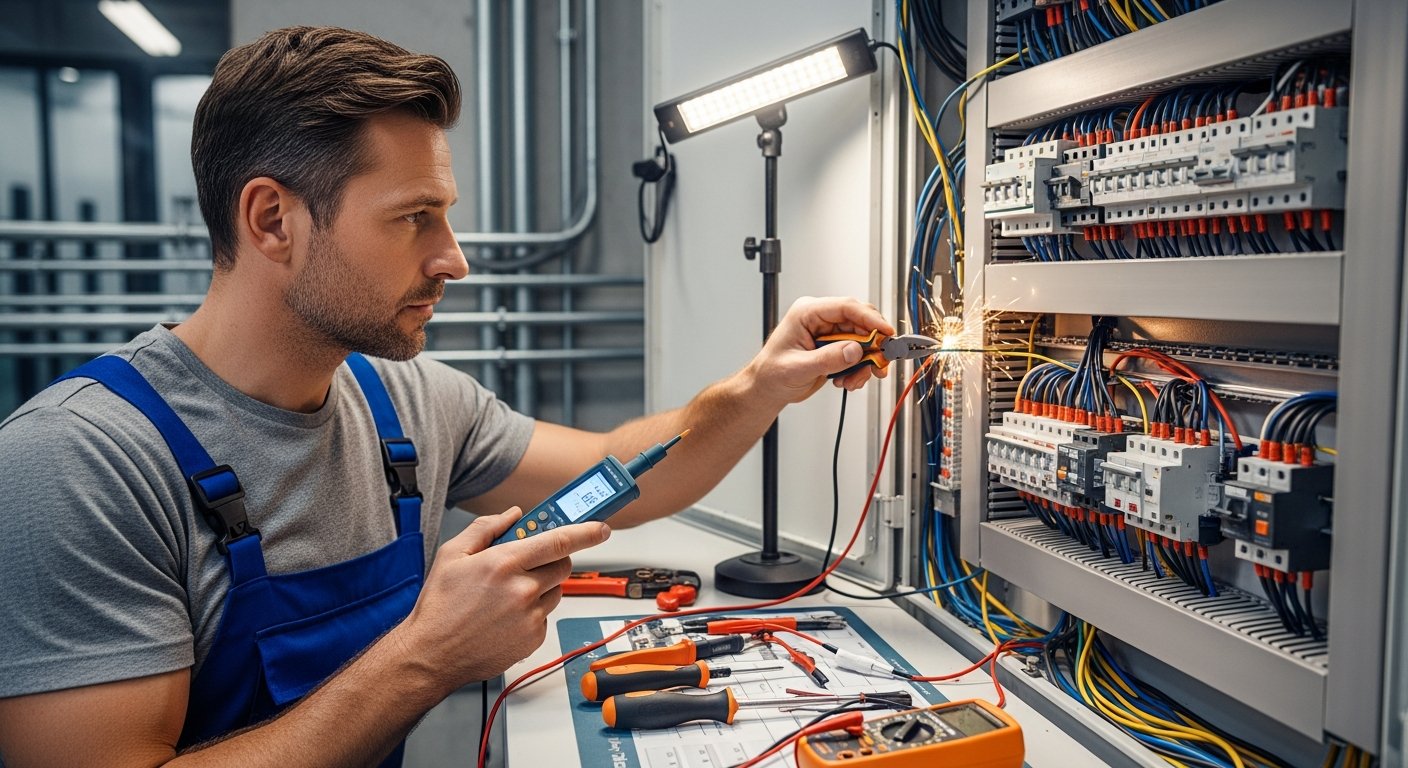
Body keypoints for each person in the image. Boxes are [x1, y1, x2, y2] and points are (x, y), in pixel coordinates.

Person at [0, 26, 892, 768]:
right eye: (412, 217)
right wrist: (428, 656)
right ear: (272, 219)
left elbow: (623, 476)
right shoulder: (78, 465)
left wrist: (762, 383)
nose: (453, 259)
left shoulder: (407, 405)